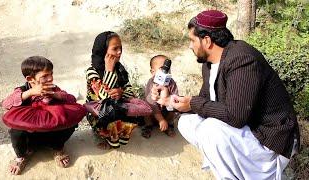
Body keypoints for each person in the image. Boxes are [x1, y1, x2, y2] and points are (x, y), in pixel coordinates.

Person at [151, 10, 300, 180]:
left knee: (210, 129)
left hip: (270, 139)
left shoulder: (242, 59)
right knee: (187, 122)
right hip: (247, 131)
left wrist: (193, 103)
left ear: (207, 40)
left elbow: (236, 116)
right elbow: (205, 104)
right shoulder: (209, 63)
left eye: (192, 40)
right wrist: (169, 100)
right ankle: (229, 171)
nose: (190, 46)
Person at [2, 56, 86, 175]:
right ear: (30, 79)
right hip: (30, 136)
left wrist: (56, 95)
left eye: (51, 74)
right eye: (45, 76)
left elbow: (71, 99)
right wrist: (30, 93)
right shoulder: (22, 90)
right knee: (16, 130)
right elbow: (6, 104)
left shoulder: (53, 88)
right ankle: (21, 156)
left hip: (52, 133)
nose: (50, 78)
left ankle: (58, 149)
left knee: (71, 119)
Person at [85, 31, 152, 149]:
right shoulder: (92, 72)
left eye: (120, 48)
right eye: (115, 48)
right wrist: (109, 71)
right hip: (99, 112)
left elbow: (130, 90)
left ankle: (119, 135)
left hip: (118, 105)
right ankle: (105, 137)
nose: (119, 51)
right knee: (110, 111)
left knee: (131, 109)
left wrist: (121, 93)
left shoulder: (120, 68)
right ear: (103, 51)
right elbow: (102, 97)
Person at [141, 55, 178, 138]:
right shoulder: (151, 83)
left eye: (168, 69)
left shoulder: (172, 83)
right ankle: (148, 126)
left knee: (173, 109)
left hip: (165, 111)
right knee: (145, 107)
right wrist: (161, 119)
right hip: (153, 111)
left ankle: (169, 125)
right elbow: (151, 104)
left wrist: (168, 98)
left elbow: (175, 100)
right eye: (162, 68)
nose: (166, 71)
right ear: (153, 72)